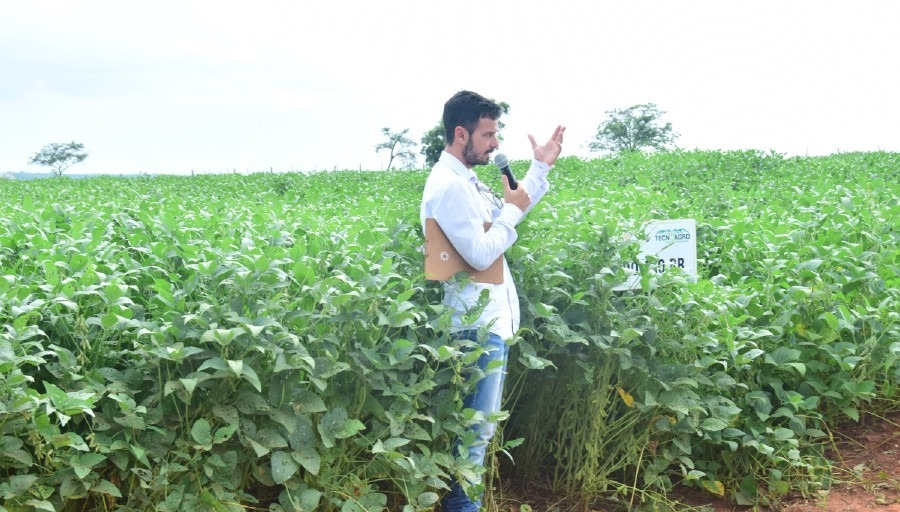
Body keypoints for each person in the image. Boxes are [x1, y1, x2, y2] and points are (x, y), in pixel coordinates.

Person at [420, 90, 565, 512]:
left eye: (496, 133)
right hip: (474, 327)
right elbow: (482, 253)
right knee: (474, 434)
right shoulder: (449, 187)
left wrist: (539, 169)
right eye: (487, 134)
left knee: (474, 433)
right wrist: (510, 214)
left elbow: (512, 209)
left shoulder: (466, 182)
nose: (495, 143)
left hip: (485, 326)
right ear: (461, 133)